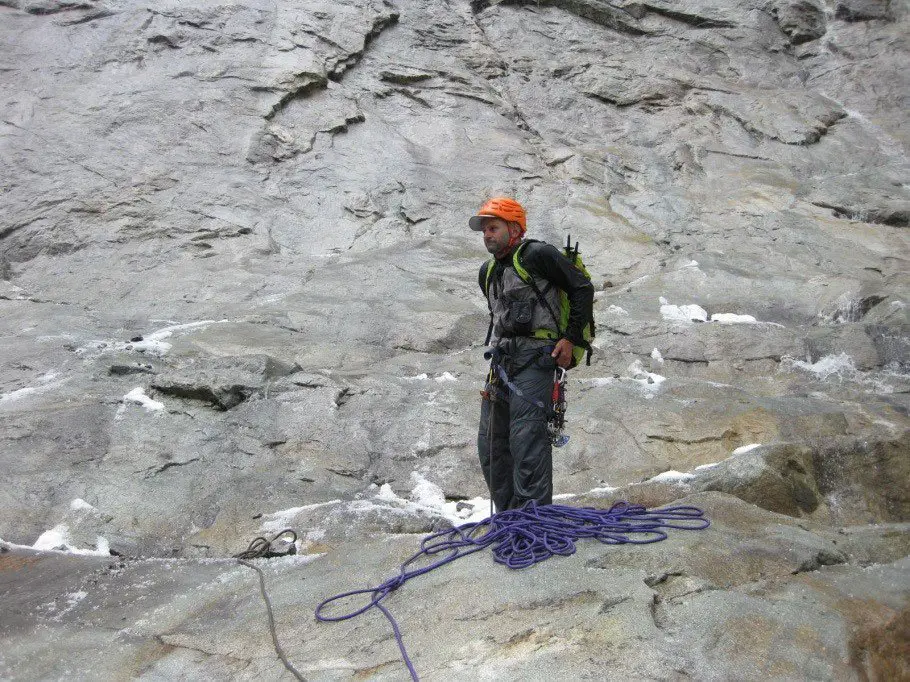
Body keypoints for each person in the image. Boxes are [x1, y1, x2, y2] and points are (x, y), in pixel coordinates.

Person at [470, 197, 594, 511]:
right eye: (485, 230)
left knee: (526, 441)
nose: (487, 234)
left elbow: (581, 288)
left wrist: (570, 338)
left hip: (537, 358)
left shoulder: (538, 255)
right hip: (502, 362)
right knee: (490, 445)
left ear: (514, 227)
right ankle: (511, 519)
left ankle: (534, 522)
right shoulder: (487, 272)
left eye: (493, 227)